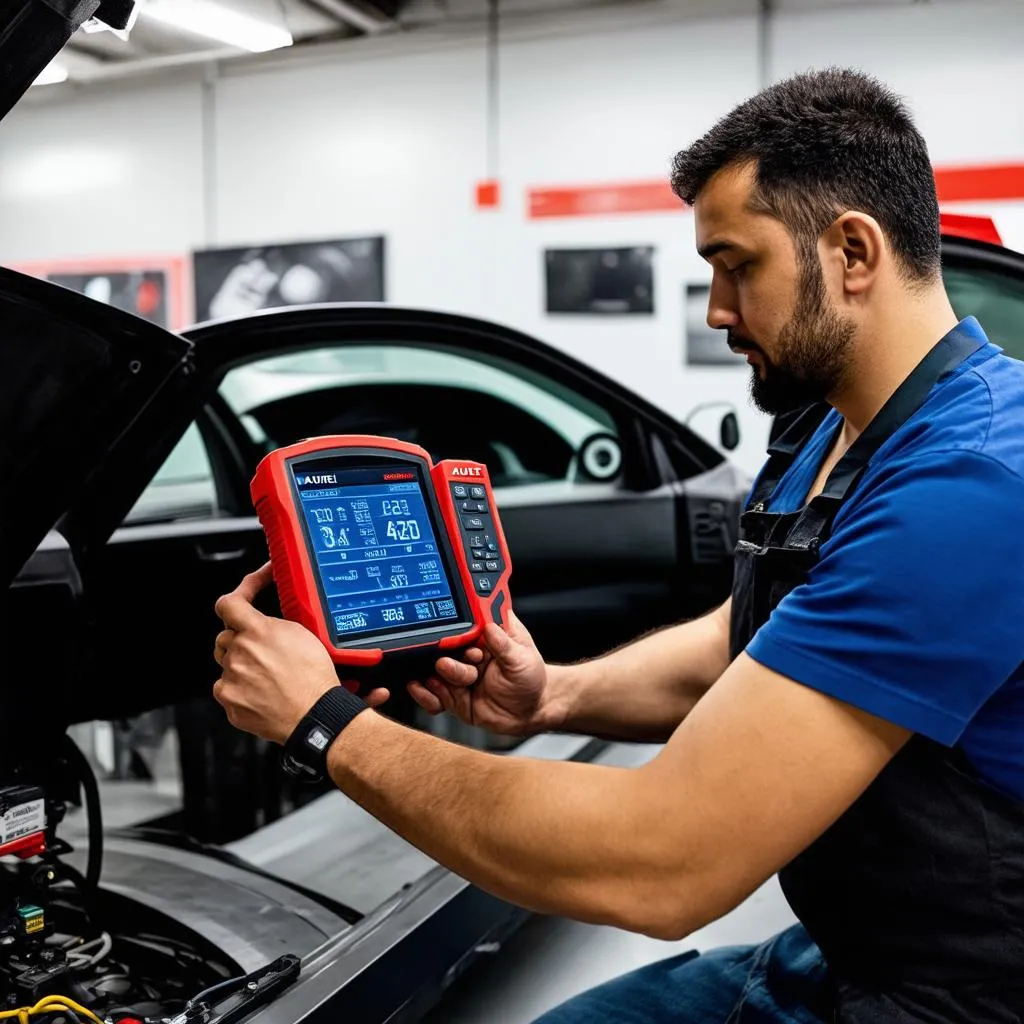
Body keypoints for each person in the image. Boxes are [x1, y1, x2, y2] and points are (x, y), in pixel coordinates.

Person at [210, 68, 1024, 1023]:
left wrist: (322, 724)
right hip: (850, 956)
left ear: (852, 250)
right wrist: (553, 694)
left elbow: (661, 861)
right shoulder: (832, 430)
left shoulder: (974, 487)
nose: (718, 310)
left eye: (737, 265)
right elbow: (753, 641)